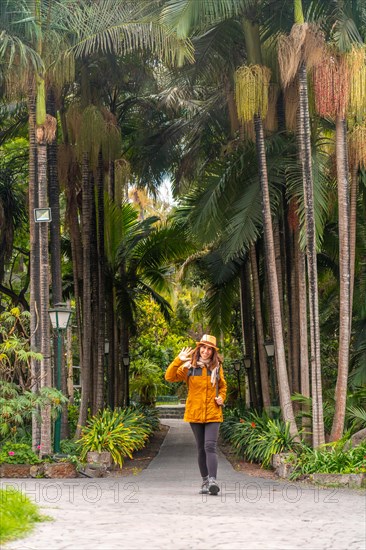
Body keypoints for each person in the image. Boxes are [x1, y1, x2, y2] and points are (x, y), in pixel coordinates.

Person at [165, 334, 227, 495]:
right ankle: (205, 481)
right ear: (199, 348)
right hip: (195, 413)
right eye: (203, 348)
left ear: (213, 352)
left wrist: (221, 398)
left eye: (209, 349)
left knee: (210, 446)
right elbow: (169, 377)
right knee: (201, 448)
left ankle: (213, 481)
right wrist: (178, 360)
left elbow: (222, 387)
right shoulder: (188, 367)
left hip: (213, 412)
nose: (206, 351)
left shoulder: (217, 368)